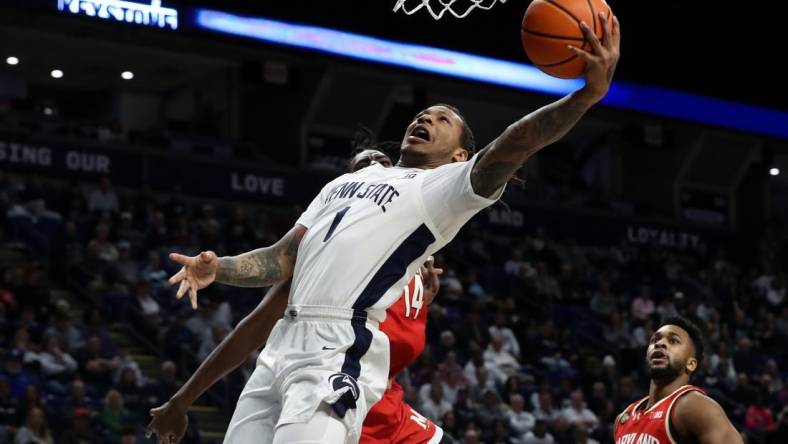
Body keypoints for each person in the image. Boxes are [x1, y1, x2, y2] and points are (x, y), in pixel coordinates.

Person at [160, 13, 619, 443]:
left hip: (337, 350)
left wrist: (585, 96)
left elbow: (513, 145)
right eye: (425, 114)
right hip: (278, 350)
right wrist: (218, 268)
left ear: (460, 157)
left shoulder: (441, 189)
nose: (426, 119)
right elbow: (282, 257)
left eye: (443, 121)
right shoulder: (346, 181)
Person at [148, 150, 450, 443]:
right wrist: (182, 399)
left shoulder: (411, 253)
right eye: (361, 170)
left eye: (382, 167)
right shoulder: (324, 259)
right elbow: (253, 330)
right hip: (347, 396)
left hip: (385, 399)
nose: (373, 174)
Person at [613, 316, 743, 444]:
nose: (659, 343)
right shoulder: (624, 417)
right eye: (655, 340)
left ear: (690, 364)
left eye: (673, 341)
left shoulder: (694, 406)